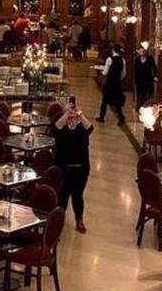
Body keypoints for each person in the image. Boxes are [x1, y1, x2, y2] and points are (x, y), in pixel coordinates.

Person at [51, 97, 93, 233]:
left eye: (74, 116)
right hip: (63, 168)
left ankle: (79, 220)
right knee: (62, 195)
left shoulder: (82, 130)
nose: (72, 117)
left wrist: (80, 113)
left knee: (77, 195)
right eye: (70, 116)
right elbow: (55, 127)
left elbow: (90, 127)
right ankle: (59, 220)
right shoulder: (61, 130)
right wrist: (66, 113)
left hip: (80, 169)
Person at [97, 44, 126, 126]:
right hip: (117, 84)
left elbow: (105, 72)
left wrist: (101, 73)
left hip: (109, 83)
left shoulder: (110, 59)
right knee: (117, 103)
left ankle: (102, 117)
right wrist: (119, 79)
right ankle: (121, 118)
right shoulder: (122, 60)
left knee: (104, 101)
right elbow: (124, 73)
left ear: (113, 50)